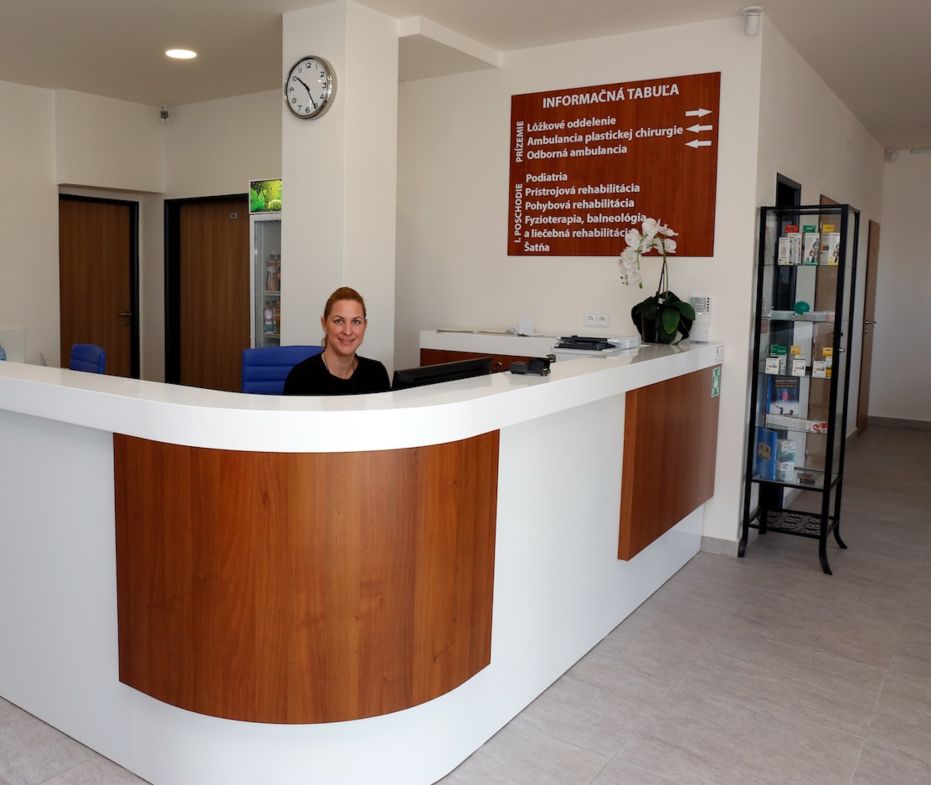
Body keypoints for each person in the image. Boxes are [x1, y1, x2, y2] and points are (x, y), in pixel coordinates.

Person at [283, 287, 390, 396]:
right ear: (324, 324)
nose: (347, 331)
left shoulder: (377, 374)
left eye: (356, 322)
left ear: (365, 326)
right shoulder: (300, 377)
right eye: (339, 321)